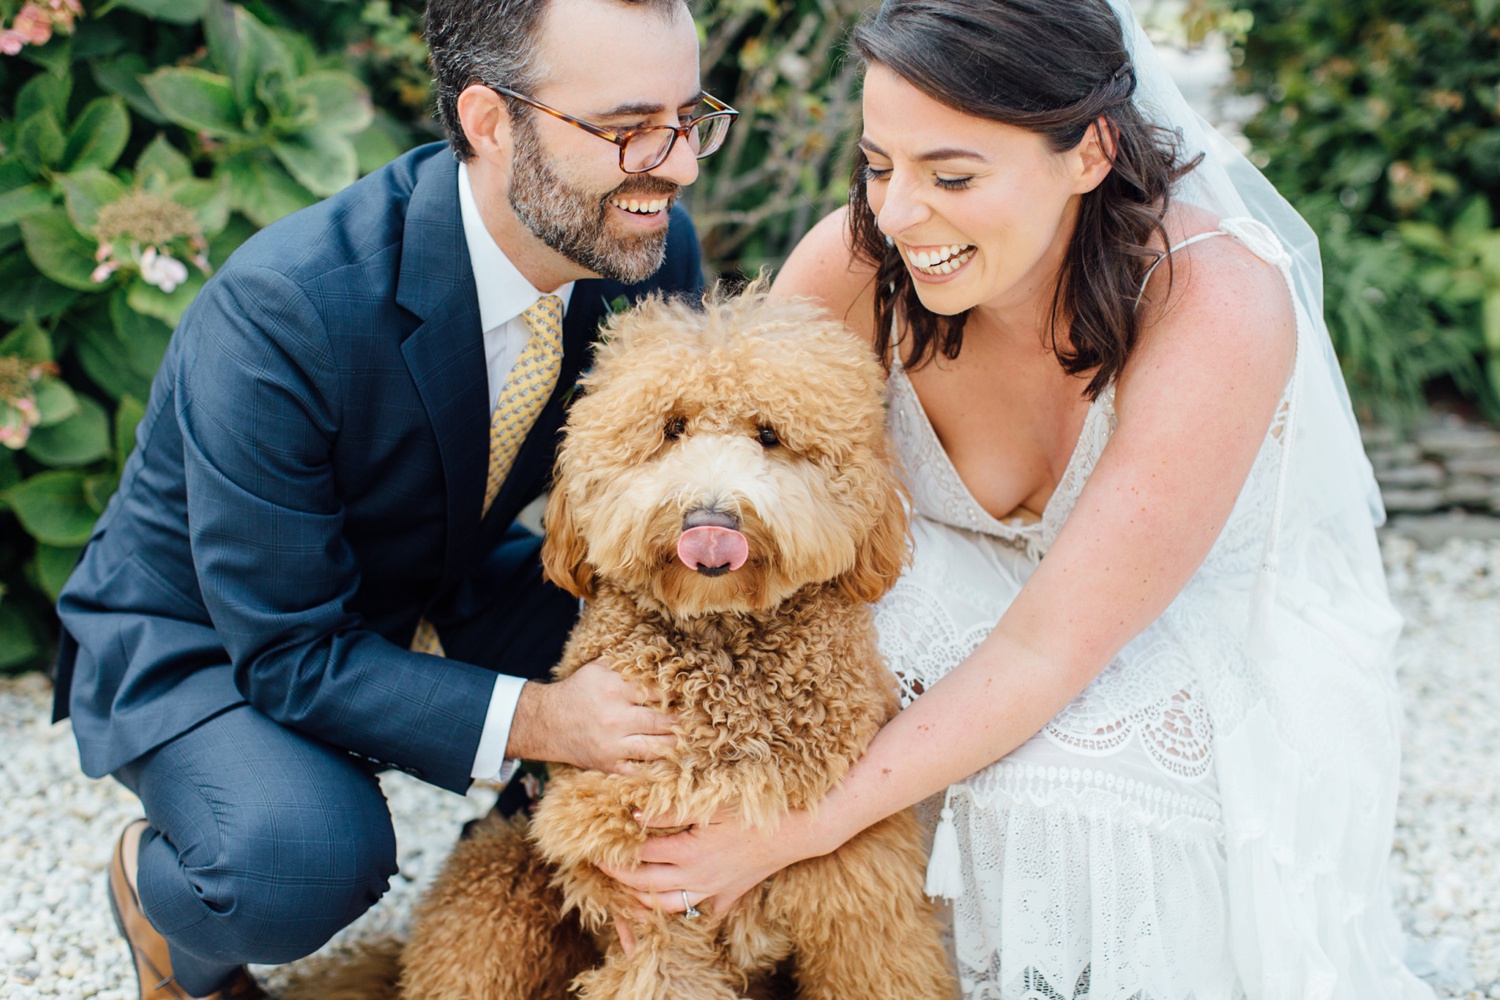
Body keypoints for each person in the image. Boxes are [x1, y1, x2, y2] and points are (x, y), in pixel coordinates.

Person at [599, 0, 1440, 996]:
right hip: (954, 587)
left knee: (1049, 781)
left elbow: (1051, 647)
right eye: (879, 166)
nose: (901, 213)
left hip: (1174, 633)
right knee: (800, 671)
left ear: (1088, 152)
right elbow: (726, 502)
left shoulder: (1216, 299)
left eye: (952, 175)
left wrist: (785, 829)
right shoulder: (858, 259)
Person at [52, 0, 731, 995]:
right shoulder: (285, 308)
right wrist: (545, 721)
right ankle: (165, 916)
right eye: (628, 128)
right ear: (492, 123)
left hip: (430, 578)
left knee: (691, 669)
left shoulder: (647, 247)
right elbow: (286, 650)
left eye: (691, 116)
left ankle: (538, 905)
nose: (677, 165)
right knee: (301, 858)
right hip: (208, 629)